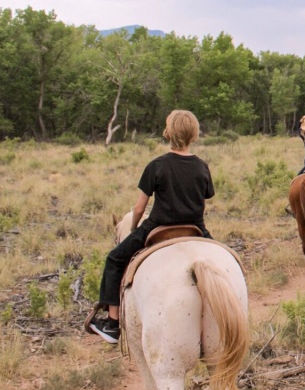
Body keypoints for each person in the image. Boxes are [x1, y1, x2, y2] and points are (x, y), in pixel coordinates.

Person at [89, 109, 214, 344]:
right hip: (195, 228)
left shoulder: (156, 166)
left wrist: (135, 228)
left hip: (159, 225)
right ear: (194, 135)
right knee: (225, 264)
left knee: (114, 259)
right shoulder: (201, 166)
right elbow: (203, 200)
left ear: (168, 134)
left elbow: (139, 208)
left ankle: (112, 323)